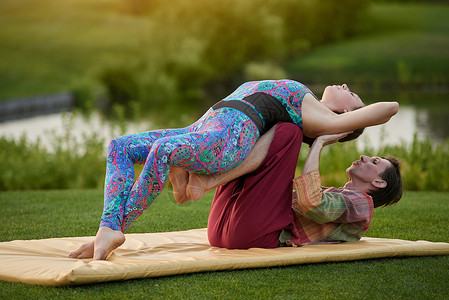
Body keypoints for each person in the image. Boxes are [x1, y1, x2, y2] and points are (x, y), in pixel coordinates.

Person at [69, 80, 399, 260]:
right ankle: (108, 224)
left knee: (162, 152)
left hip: (226, 139)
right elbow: (268, 150)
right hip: (205, 124)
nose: (344, 85)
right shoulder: (302, 110)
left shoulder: (320, 119)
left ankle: (116, 228)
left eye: (351, 95)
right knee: (119, 147)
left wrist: (338, 128)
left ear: (345, 115)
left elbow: (390, 108)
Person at [184, 123, 402, 248]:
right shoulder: (342, 196)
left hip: (255, 235)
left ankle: (195, 163)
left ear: (379, 182)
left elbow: (311, 201)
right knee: (260, 135)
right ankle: (192, 165)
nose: (364, 156)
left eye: (374, 162)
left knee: (289, 133)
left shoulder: (362, 206)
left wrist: (319, 143)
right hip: (224, 232)